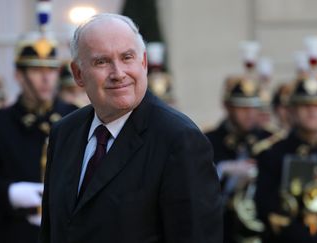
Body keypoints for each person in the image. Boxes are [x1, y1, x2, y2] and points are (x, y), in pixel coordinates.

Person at [39, 13, 222, 243]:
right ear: (78, 73)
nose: (118, 73)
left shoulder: (179, 140)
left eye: (127, 58)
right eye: (102, 61)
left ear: (143, 62)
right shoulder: (64, 132)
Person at [0, 30, 78, 243]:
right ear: (19, 75)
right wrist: (10, 193)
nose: (46, 78)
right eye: (36, 69)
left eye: (52, 70)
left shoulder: (76, 117)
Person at [255, 76, 317, 243]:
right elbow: (268, 209)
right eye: (305, 105)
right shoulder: (273, 154)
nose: (312, 111)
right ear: (291, 110)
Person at [205, 76, 272, 243]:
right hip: (223, 230)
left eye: (254, 107)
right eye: (242, 107)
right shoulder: (209, 141)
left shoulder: (270, 140)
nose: (249, 114)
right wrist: (222, 169)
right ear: (228, 107)